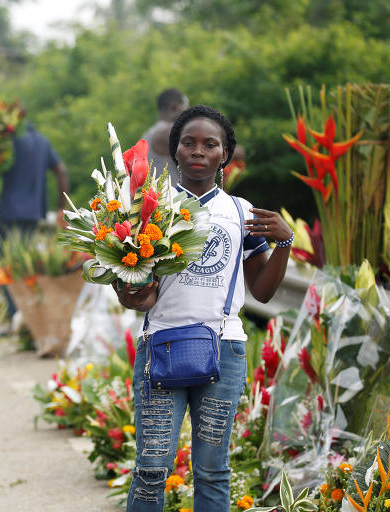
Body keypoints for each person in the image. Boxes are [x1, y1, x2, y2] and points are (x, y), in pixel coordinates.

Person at [115, 105, 293, 511]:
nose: (198, 151)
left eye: (210, 144)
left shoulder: (242, 212)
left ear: (225, 155)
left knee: (213, 470)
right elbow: (141, 296)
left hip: (224, 348)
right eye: (188, 143)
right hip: (161, 344)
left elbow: (262, 292)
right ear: (174, 151)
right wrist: (123, 286)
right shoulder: (149, 209)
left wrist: (285, 243)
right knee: (151, 468)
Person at [0, 119, 69, 324]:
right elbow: (61, 170)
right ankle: (29, 317)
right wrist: (62, 204)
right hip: (33, 212)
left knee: (8, 265)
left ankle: (16, 316)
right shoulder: (43, 142)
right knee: (27, 265)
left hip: (9, 212)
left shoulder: (9, 142)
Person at [141, 89, 189, 186]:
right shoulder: (166, 132)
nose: (188, 114)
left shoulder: (149, 133)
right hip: (167, 198)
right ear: (175, 107)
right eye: (186, 109)